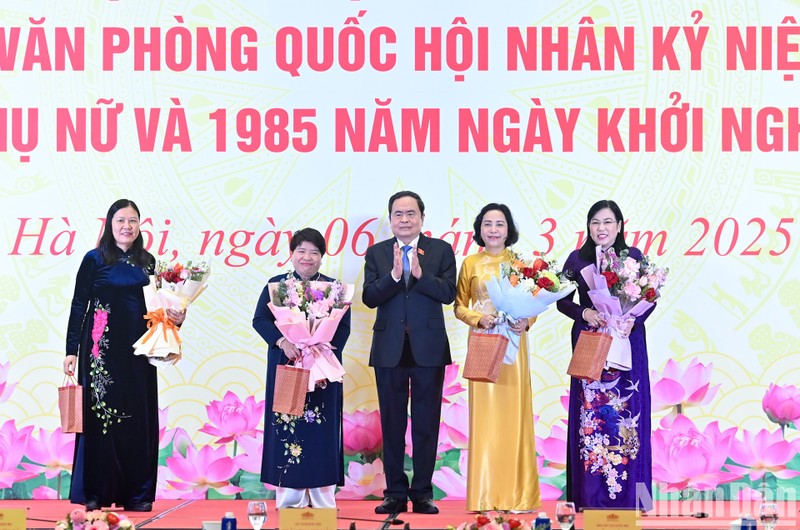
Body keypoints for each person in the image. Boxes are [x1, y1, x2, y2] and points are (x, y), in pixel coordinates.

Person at [64, 199, 185, 512]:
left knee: (137, 420)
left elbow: (158, 307)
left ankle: (137, 494)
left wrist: (176, 317)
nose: (127, 227)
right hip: (99, 350)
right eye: (121, 220)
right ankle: (94, 493)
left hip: (139, 350)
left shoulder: (147, 261)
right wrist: (70, 351)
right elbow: (80, 305)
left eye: (132, 221)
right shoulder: (94, 259)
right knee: (98, 421)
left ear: (139, 225)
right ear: (109, 224)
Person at [556, 200, 656, 510]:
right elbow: (561, 300)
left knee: (629, 413)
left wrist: (632, 319)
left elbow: (650, 297)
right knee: (592, 415)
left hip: (627, 342)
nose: (601, 228)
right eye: (595, 222)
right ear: (588, 227)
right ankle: (590, 496)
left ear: (620, 226)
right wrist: (584, 311)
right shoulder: (577, 259)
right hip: (591, 340)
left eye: (608, 222)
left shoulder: (634, 257)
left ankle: (631, 497)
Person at [363, 191, 456, 515]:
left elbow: (448, 294)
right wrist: (393, 277)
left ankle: (422, 493)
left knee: (426, 424)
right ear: (390, 219)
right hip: (390, 350)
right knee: (391, 424)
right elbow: (369, 297)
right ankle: (394, 493)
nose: (404, 219)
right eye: (398, 214)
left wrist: (420, 275)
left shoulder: (441, 251)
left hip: (428, 349)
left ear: (422, 218)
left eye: (410, 214)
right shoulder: (376, 254)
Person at [252, 227, 351, 509]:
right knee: (289, 425)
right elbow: (260, 320)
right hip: (288, 364)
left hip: (323, 369)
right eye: (301, 251)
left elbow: (343, 327)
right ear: (292, 254)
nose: (307, 257)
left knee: (322, 430)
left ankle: (322, 497)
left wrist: (321, 348)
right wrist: (282, 341)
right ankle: (290, 497)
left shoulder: (335, 289)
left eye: (314, 252)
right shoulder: (277, 286)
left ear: (322, 256)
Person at [454, 203, 541, 512]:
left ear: (508, 229)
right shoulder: (470, 263)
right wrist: (479, 319)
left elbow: (533, 305)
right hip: (482, 342)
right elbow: (459, 306)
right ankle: (485, 495)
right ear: (479, 228)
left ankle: (518, 496)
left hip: (514, 347)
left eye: (499, 224)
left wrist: (525, 321)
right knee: (485, 418)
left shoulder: (521, 263)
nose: (493, 229)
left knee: (514, 415)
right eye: (488, 223)